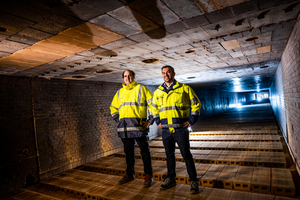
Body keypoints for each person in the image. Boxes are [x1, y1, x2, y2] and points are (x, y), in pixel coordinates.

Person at [152, 65, 201, 194]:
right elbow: (153, 109)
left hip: (180, 130)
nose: (165, 75)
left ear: (173, 74)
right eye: (163, 73)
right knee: (169, 156)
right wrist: (157, 121)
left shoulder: (184, 89)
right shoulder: (158, 92)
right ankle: (171, 179)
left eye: (168, 72)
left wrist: (191, 120)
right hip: (166, 131)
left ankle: (194, 181)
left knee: (186, 155)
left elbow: (196, 103)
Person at [110, 70, 154, 188]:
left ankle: (148, 175)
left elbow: (153, 104)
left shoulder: (141, 88)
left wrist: (150, 120)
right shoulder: (119, 92)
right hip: (125, 129)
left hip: (139, 127)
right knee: (128, 153)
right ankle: (130, 174)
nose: (127, 78)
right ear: (123, 78)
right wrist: (118, 120)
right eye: (125, 76)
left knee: (145, 152)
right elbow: (113, 108)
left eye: (129, 75)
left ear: (133, 77)